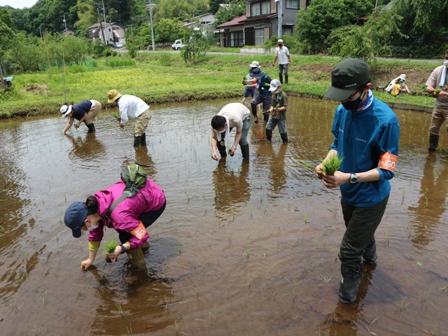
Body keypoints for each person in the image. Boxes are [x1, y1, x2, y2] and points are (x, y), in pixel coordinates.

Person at [315, 58, 400, 304]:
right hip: (349, 193)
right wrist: (325, 163)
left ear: (367, 87)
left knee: (349, 251)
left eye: (348, 96)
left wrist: (347, 178)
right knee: (359, 233)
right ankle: (371, 261)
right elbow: (336, 144)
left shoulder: (386, 120)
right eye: (339, 96)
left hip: (371, 197)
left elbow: (387, 170)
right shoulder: (343, 110)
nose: (342, 102)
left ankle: (346, 303)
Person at [64, 174, 166, 271]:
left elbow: (143, 235)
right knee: (129, 228)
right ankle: (142, 247)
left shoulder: (119, 216)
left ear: (87, 221)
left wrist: (121, 248)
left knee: (126, 235)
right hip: (141, 193)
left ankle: (140, 266)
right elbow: (95, 234)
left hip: (155, 201)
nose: (86, 230)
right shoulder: (96, 207)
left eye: (83, 228)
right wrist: (90, 259)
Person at [426, 50, 448, 153]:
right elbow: (430, 85)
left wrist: (444, 94)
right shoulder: (438, 70)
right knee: (433, 128)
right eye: (446, 58)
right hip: (439, 105)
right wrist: (430, 89)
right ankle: (431, 150)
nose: (446, 61)